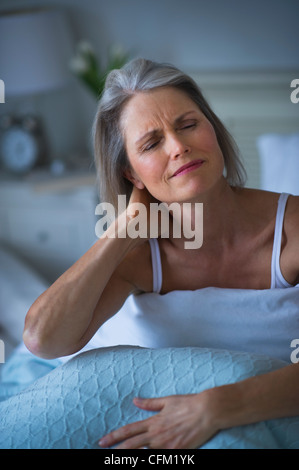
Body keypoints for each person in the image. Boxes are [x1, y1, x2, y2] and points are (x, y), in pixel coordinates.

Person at [23, 58, 299, 449]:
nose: (178, 147)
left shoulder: (292, 229)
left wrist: (214, 407)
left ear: (213, 130)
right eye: (152, 143)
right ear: (132, 175)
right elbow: (42, 341)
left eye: (188, 125)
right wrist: (123, 229)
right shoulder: (136, 256)